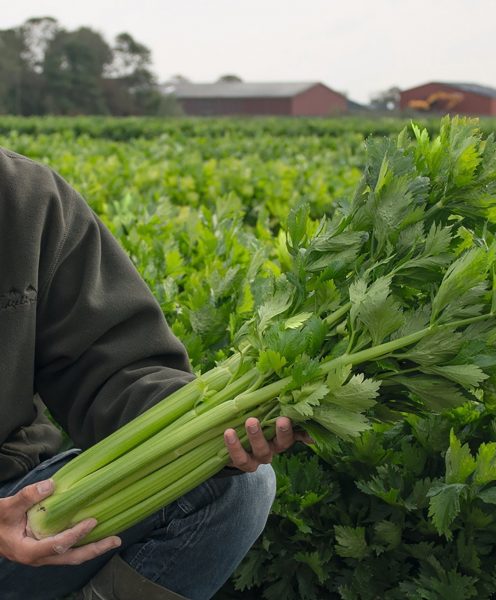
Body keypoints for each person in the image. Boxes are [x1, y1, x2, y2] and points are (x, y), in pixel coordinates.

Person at [0, 146, 308, 599]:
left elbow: (111, 364)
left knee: (231, 488)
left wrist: (212, 426)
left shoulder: (25, 198)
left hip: (13, 502)